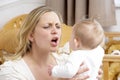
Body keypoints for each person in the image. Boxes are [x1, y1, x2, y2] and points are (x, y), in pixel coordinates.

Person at [0, 6, 90, 80]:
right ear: (31, 35)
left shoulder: (67, 62)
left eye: (58, 26)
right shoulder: (12, 71)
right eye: (47, 26)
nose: (55, 31)